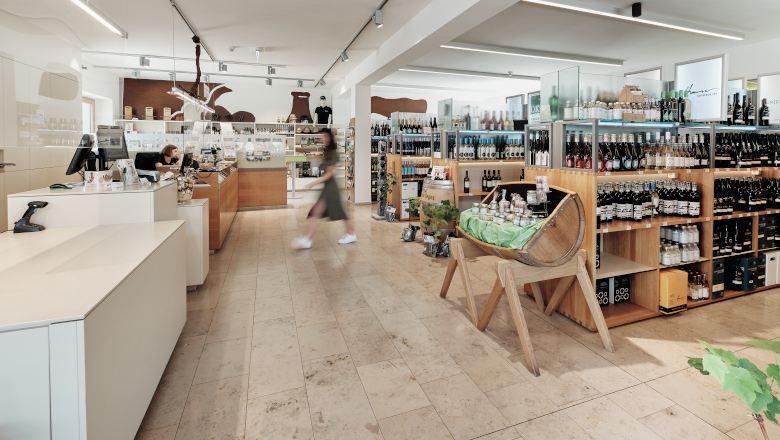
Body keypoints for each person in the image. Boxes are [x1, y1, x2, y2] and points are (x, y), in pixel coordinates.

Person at [292, 128, 355, 249]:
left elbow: (330, 173)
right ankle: (308, 239)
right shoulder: (327, 152)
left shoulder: (333, 153)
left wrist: (313, 183)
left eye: (325, 136)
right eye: (321, 137)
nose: (322, 139)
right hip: (327, 187)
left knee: (338, 212)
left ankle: (351, 234)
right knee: (317, 212)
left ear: (330, 138)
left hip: (331, 189)